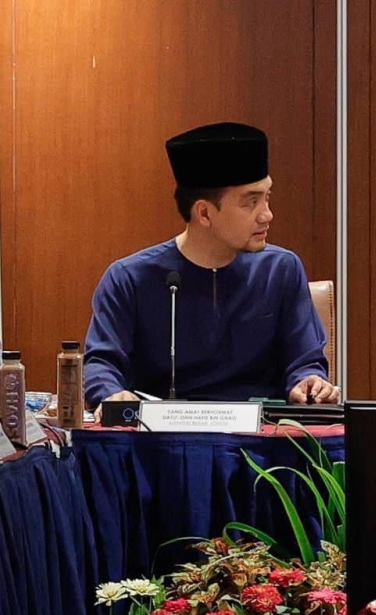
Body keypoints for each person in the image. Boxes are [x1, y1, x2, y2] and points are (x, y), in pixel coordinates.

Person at [84, 121, 341, 411]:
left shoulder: (280, 270)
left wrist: (308, 381)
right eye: (251, 202)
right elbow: (102, 365)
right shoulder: (130, 278)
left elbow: (304, 361)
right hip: (162, 442)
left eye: (267, 197)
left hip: (260, 443)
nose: (267, 215)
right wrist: (111, 393)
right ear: (204, 213)